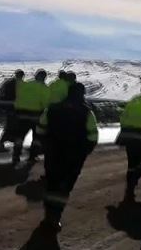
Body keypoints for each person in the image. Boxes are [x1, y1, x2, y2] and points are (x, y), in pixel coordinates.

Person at [37, 82, 98, 231]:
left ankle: (48, 215)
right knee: (64, 187)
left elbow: (40, 128)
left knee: (52, 184)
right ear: (82, 94)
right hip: (74, 156)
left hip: (53, 153)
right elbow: (93, 136)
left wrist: (45, 144)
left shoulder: (52, 109)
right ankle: (56, 217)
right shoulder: (86, 112)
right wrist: (85, 151)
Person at [12, 69, 50, 165]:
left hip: (21, 114)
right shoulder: (44, 88)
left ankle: (16, 155)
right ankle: (32, 156)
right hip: (36, 115)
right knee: (37, 137)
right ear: (44, 78)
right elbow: (46, 103)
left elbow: (18, 98)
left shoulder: (26, 85)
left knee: (20, 136)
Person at [0, 70, 24, 147]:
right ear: (22, 76)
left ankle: (2, 142)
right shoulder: (21, 84)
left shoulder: (7, 82)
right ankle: (8, 143)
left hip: (7, 107)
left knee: (10, 125)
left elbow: (1, 93)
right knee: (14, 126)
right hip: (15, 107)